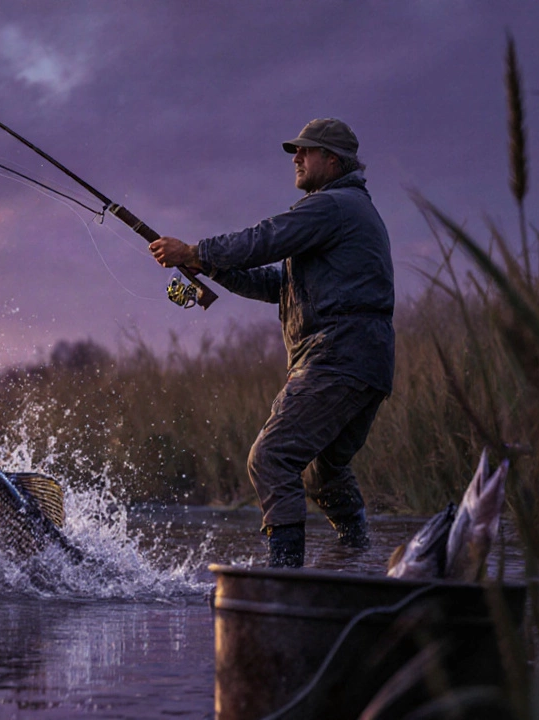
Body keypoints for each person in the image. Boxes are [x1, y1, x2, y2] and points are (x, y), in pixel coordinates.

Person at [149, 118, 394, 568]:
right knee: (324, 473)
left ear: (333, 160)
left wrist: (194, 253)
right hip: (367, 363)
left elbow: (265, 239)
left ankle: (285, 577)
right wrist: (209, 269)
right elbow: (280, 283)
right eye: (295, 152)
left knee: (272, 456)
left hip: (337, 357)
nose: (296, 158)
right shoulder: (345, 212)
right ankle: (360, 561)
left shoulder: (332, 206)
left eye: (306, 151)